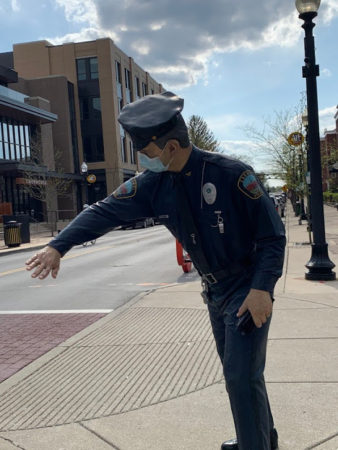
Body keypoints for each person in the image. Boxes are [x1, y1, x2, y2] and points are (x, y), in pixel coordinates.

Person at [26, 91, 285, 450]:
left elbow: (272, 237)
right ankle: (259, 437)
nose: (146, 161)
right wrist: (58, 245)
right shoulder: (153, 185)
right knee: (240, 375)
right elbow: (103, 211)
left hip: (247, 286)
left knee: (241, 376)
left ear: (172, 147)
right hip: (215, 291)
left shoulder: (232, 175)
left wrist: (263, 288)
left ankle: (253, 444)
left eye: (148, 154)